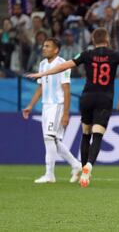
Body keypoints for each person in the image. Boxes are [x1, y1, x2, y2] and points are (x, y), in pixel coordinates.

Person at [27, 28, 119, 188]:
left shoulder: (86, 54)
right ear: (107, 39)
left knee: (85, 134)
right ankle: (88, 167)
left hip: (88, 98)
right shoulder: (115, 54)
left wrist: (42, 74)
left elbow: (65, 66)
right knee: (97, 136)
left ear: (93, 39)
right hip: (104, 99)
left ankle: (83, 168)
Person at [22, 38, 82, 183]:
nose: (44, 48)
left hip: (57, 105)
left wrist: (66, 113)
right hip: (46, 106)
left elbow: (66, 90)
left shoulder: (63, 65)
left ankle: (49, 174)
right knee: (52, 139)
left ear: (56, 50)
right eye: (43, 46)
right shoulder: (42, 64)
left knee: (49, 138)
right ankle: (76, 164)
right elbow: (41, 87)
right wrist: (30, 105)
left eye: (47, 46)